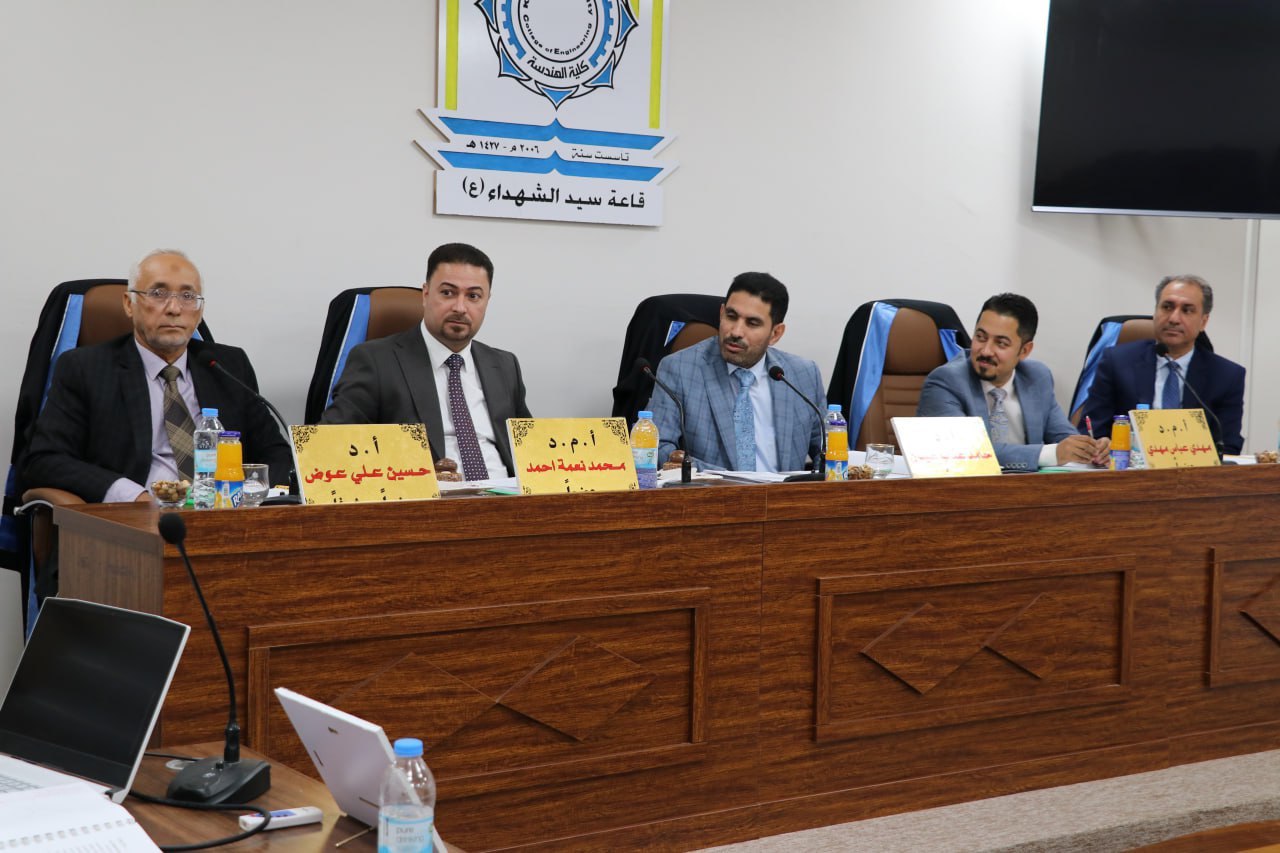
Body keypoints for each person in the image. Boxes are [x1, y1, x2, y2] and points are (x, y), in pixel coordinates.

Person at [22, 249, 294, 502]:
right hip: (135, 520)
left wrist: (245, 496)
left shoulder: (228, 366)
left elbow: (277, 453)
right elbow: (45, 460)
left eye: (188, 296)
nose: (174, 308)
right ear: (129, 304)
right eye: (158, 294)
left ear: (200, 310)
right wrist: (131, 495)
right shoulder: (85, 368)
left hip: (222, 515)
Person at [321, 242, 531, 478]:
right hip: (424, 496)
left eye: (473, 296)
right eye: (448, 293)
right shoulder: (376, 361)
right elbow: (330, 446)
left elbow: (531, 450)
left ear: (486, 301)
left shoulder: (504, 365)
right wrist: (414, 477)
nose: (460, 307)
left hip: (507, 495)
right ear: (426, 294)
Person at [648, 272, 825, 472]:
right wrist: (720, 480)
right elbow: (656, 448)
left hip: (785, 491)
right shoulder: (680, 369)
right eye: (731, 317)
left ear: (775, 334)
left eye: (752, 323)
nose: (736, 332)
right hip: (712, 490)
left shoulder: (802, 374)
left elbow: (830, 452)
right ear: (721, 313)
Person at [917, 293, 1109, 471]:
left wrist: (1090, 449)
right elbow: (966, 453)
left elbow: (1064, 437)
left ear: (1024, 351)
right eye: (981, 337)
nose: (986, 351)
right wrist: (1051, 453)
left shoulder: (1037, 377)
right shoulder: (946, 381)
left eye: (1001, 343)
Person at [1078, 275, 1245, 455]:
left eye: (1187, 310)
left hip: (1194, 469)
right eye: (1167, 307)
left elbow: (1228, 447)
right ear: (1155, 312)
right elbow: (1091, 430)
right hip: (1127, 467)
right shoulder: (1116, 361)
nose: (1174, 318)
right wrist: (1100, 445)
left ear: (1203, 321)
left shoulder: (1227, 376)